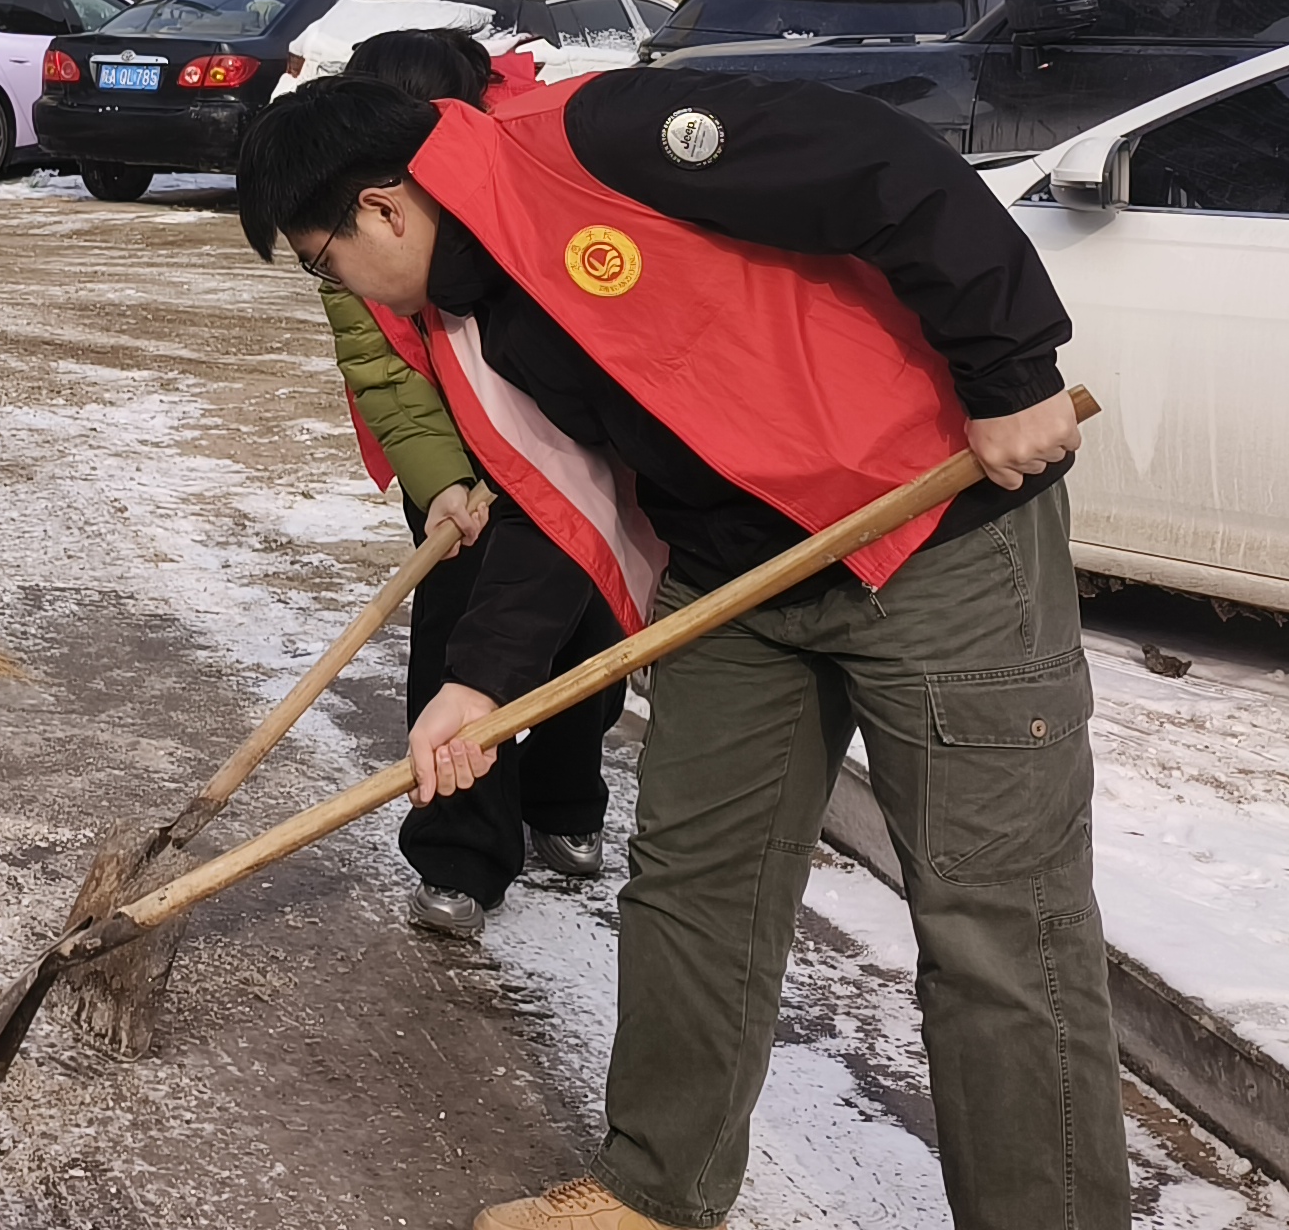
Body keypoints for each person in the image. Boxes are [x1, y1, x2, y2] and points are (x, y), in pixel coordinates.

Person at [232, 63, 1107, 1230]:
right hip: (732, 582)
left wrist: (1009, 369)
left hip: (928, 535)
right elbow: (554, 500)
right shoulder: (467, 316)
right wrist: (477, 684)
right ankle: (651, 1192)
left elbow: (885, 166)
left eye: (321, 261)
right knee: (694, 893)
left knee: (997, 926)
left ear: (381, 209)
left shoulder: (603, 139)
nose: (335, 286)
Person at [318, 27, 624, 946]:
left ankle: (566, 797)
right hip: (452, 465)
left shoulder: (525, 179)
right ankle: (460, 852)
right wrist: (450, 481)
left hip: (563, 447)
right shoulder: (343, 211)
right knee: (461, 649)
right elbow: (385, 372)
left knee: (582, 628)